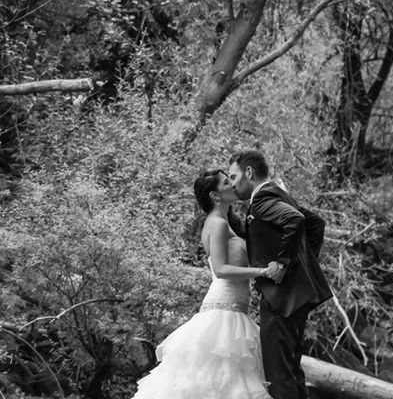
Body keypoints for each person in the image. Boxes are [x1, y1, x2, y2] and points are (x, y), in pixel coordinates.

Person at [131, 169, 279, 399]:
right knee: (217, 380)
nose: (232, 184)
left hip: (235, 308)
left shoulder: (226, 222)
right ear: (215, 196)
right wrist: (264, 272)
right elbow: (220, 270)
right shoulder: (218, 224)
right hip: (224, 310)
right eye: (225, 182)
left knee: (226, 383)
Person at [228, 150, 333, 399]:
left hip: (281, 300)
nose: (232, 183)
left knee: (278, 375)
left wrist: (284, 264)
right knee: (291, 371)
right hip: (295, 297)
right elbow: (315, 223)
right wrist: (302, 268)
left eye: (233, 176)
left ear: (249, 173)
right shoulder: (278, 194)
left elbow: (296, 220)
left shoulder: (263, 200)